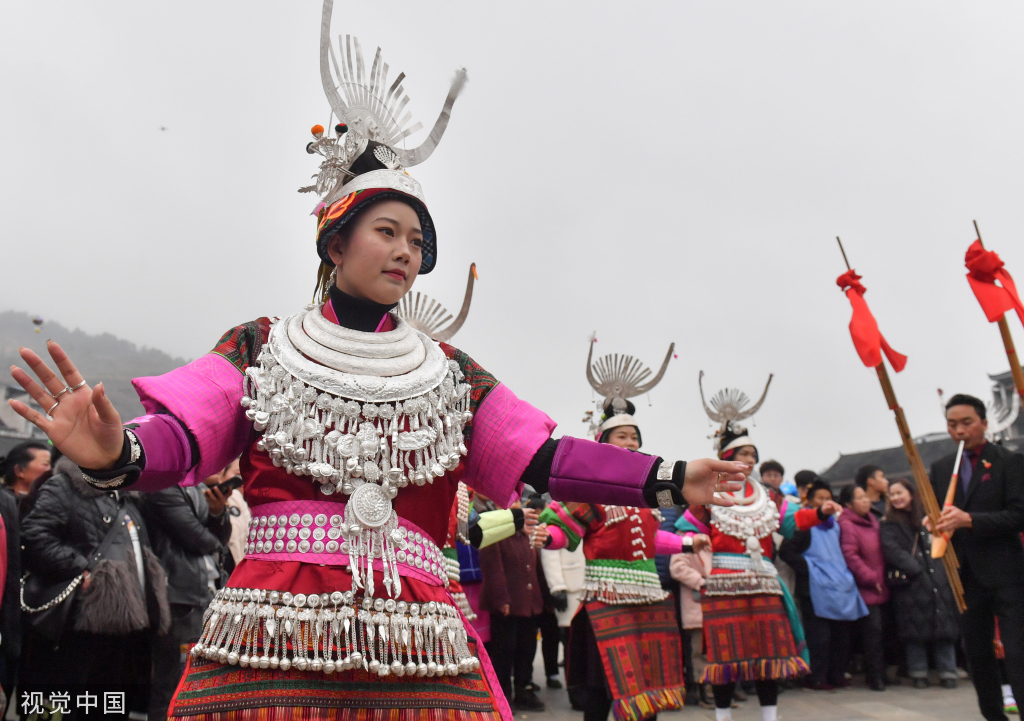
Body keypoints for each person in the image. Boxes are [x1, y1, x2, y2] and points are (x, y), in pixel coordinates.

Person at [6, 7, 745, 717]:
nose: (405, 252)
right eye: (387, 231)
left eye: (417, 242)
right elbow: (187, 435)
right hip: (274, 623)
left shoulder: (449, 370)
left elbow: (543, 459)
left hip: (415, 629)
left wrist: (668, 477)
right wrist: (118, 451)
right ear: (335, 244)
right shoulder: (263, 343)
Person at [541, 356, 700, 721]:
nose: (630, 442)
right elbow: (566, 529)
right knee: (602, 684)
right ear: (603, 444)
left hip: (647, 596)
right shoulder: (591, 491)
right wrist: (546, 536)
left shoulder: (647, 498)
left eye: (634, 437)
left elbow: (650, 541)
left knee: (646, 683)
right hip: (607, 599)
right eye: (622, 436)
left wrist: (689, 544)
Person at [678, 380, 839, 721]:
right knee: (724, 656)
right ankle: (723, 717)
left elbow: (792, 522)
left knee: (770, 653)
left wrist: (820, 513)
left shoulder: (768, 495)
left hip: (764, 581)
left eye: (753, 455)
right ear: (727, 458)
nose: (750, 460)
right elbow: (685, 528)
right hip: (723, 584)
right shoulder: (710, 492)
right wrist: (696, 543)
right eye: (744, 455)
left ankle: (770, 716)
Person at [19, 456, 169, 716]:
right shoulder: (64, 486)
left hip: (127, 620)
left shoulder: (125, 495)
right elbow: (35, 534)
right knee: (71, 698)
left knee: (110, 699)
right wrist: (81, 568)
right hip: (82, 616)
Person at [932, 393, 1024, 721]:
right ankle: (993, 716)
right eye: (952, 424)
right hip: (964, 576)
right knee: (977, 655)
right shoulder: (941, 468)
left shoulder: (1009, 461)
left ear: (984, 423)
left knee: (1017, 654)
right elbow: (936, 512)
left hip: (1007, 573)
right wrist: (933, 522)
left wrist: (969, 520)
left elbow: (1018, 515)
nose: (959, 430)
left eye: (967, 423)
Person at [141, 467, 233, 720]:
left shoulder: (197, 486)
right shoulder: (163, 486)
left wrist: (217, 512)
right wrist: (215, 542)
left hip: (205, 590)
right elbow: (194, 536)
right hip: (178, 594)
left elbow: (221, 536)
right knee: (172, 680)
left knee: (197, 680)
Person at [777, 479, 864, 691]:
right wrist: (809, 568)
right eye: (820, 498)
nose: (825, 502)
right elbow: (786, 551)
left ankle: (836, 674)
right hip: (815, 589)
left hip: (839, 588)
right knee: (820, 638)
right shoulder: (804, 526)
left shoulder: (836, 525)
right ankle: (816, 677)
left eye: (828, 498)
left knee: (841, 636)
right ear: (810, 501)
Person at [879, 478, 960, 689]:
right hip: (911, 582)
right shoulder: (888, 523)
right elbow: (893, 551)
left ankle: (948, 671)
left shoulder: (929, 516)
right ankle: (918, 672)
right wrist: (916, 569)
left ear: (911, 493)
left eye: (899, 493)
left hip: (938, 579)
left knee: (944, 628)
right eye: (892, 495)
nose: (895, 498)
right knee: (913, 630)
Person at [478, 495, 550, 711]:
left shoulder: (527, 533)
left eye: (519, 504)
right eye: (512, 505)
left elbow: (537, 569)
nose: (518, 508)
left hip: (529, 603)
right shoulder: (496, 534)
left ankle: (523, 691)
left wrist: (544, 598)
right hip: (508, 605)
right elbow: (493, 568)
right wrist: (501, 599)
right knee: (504, 654)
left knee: (527, 651)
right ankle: (503, 699)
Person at [837, 484, 888, 691]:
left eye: (866, 497)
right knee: (872, 635)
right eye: (860, 498)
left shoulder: (873, 521)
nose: (866, 501)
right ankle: (876, 677)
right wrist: (870, 577)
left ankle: (881, 674)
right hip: (865, 587)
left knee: (881, 633)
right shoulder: (847, 524)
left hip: (880, 584)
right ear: (848, 503)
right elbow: (850, 555)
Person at [669, 535, 712, 708]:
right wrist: (701, 582)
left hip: (710, 603)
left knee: (711, 650)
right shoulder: (686, 537)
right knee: (698, 651)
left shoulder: (710, 535)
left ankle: (712, 690)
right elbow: (677, 567)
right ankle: (702, 691)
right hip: (696, 603)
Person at [0, 440, 51, 518]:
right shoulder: (4, 505)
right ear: (19, 470)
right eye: (46, 464)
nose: (51, 470)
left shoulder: (51, 502)